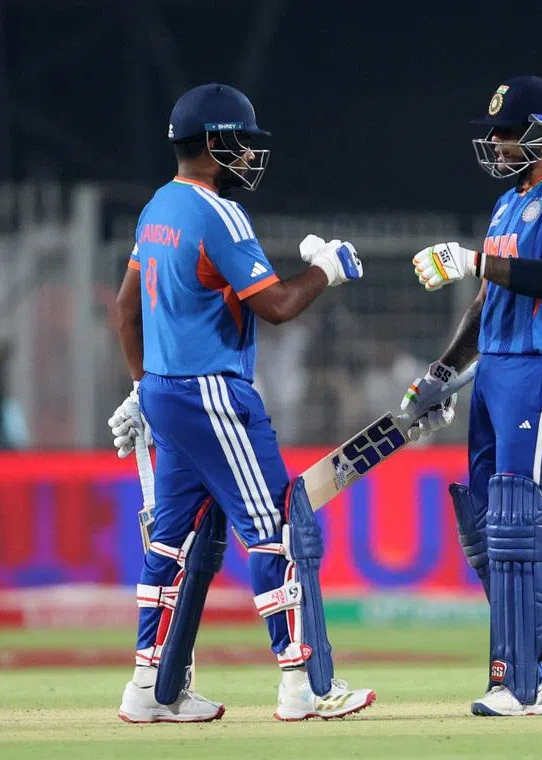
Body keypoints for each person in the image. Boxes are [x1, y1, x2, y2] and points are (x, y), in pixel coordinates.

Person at [107, 83, 374, 724]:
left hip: (169, 392)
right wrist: (329, 269)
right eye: (243, 143)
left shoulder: (157, 207)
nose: (251, 156)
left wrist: (144, 388)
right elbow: (276, 306)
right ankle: (302, 684)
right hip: (213, 394)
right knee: (279, 531)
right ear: (213, 142)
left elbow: (124, 309)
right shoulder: (219, 213)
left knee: (170, 545)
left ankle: (148, 689)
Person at [399, 75, 542, 717]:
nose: (496, 142)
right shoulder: (509, 203)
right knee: (488, 526)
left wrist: (473, 261)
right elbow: (486, 301)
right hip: (494, 369)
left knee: (520, 521)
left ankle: (519, 684)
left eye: (508, 132)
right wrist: (441, 372)